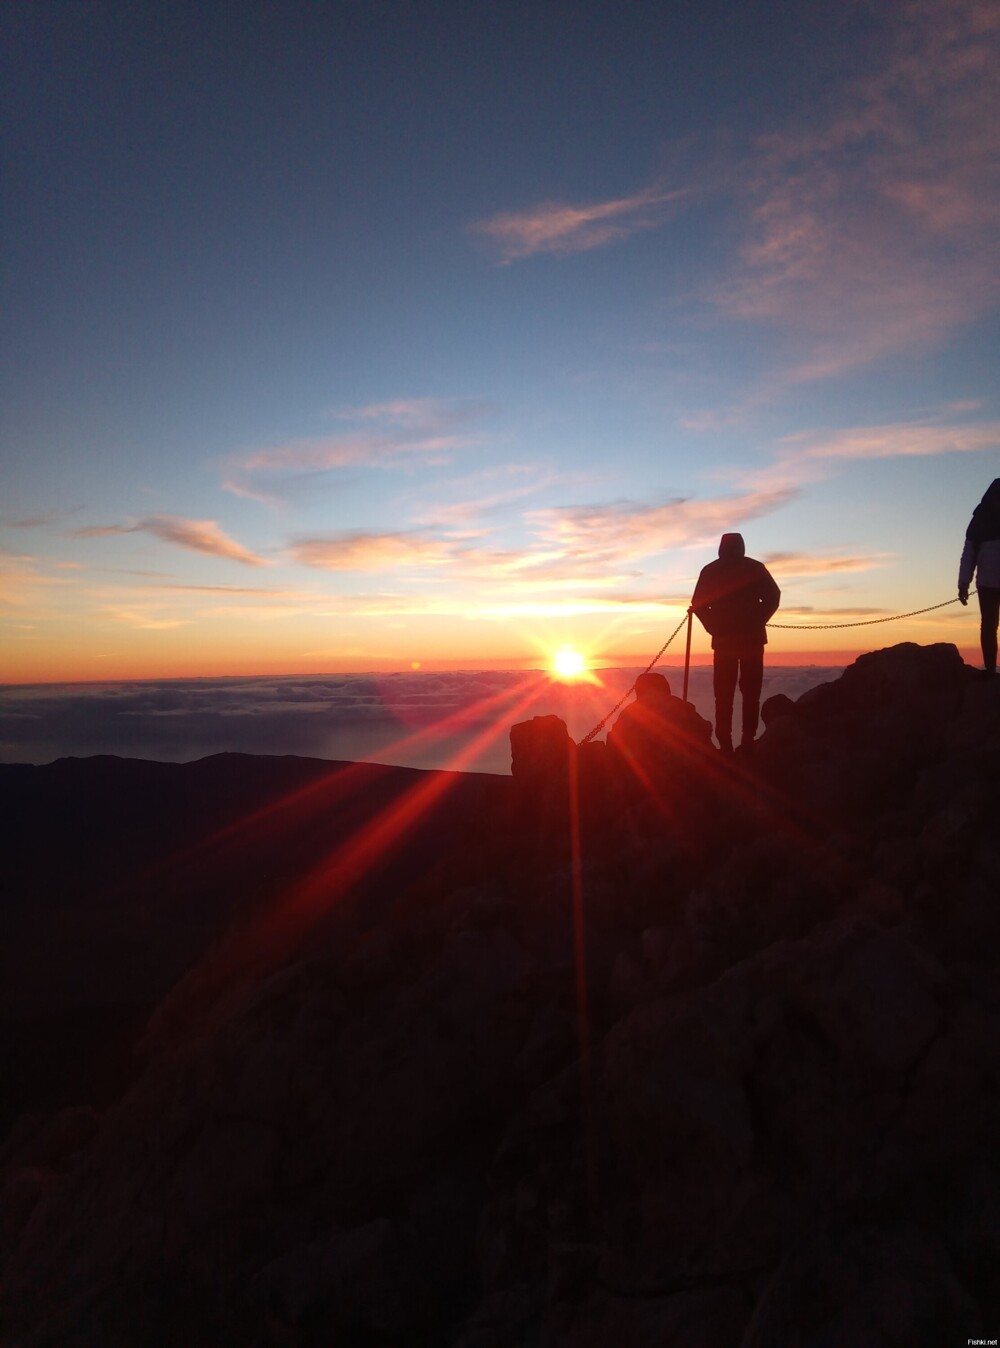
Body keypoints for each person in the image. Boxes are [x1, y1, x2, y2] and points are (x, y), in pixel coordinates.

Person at [691, 533, 781, 755]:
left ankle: (726, 743)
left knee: (724, 693)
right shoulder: (754, 568)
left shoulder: (710, 571)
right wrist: (759, 619)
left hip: (724, 642)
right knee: (750, 692)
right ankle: (747, 740)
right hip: (751, 639)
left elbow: (698, 604)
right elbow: (773, 596)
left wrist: (714, 626)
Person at [606, 671, 711, 788]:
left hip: (640, 780)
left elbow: (614, 740)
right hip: (688, 777)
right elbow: (705, 729)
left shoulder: (630, 712)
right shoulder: (681, 706)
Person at [958, 478, 1000, 676]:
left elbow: (968, 555)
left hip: (986, 583)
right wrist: (963, 584)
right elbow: (969, 555)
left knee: (989, 627)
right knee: (989, 626)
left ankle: (991, 671)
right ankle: (991, 669)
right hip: (987, 584)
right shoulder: (979, 521)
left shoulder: (978, 520)